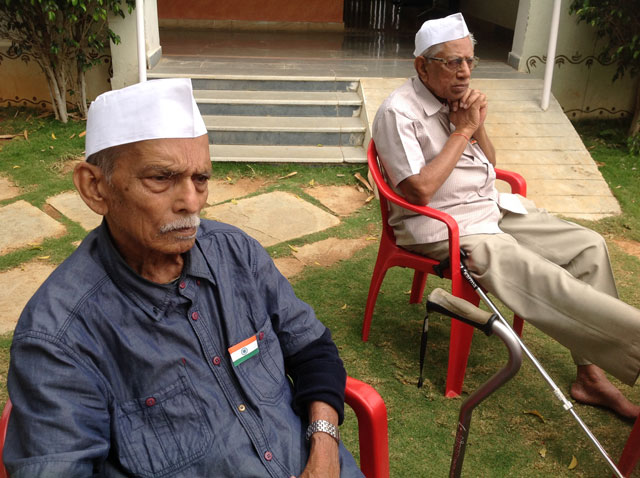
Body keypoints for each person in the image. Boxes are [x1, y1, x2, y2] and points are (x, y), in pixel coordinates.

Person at [5, 78, 363, 477]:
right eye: (161, 178)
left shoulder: (235, 253)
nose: (190, 203)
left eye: (201, 179)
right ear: (95, 187)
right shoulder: (60, 337)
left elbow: (312, 348)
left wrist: (325, 444)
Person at [372, 12, 640, 420]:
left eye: (469, 61)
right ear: (422, 66)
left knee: (588, 246)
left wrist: (475, 126)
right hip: (442, 225)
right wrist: (461, 131)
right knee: (541, 275)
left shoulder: (456, 102)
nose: (464, 73)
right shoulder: (398, 113)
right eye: (452, 62)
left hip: (486, 207)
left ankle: (589, 375)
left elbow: (489, 165)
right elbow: (418, 191)